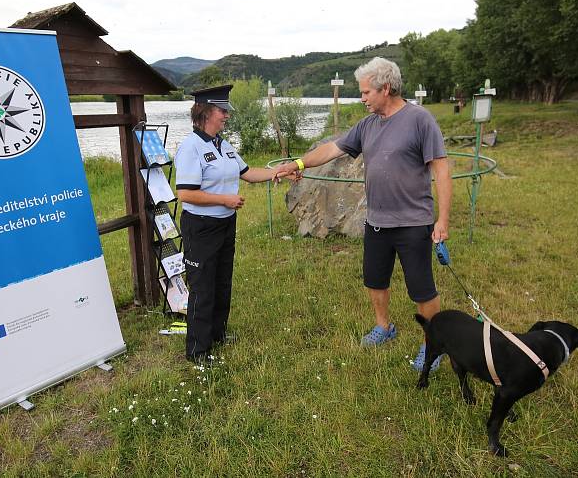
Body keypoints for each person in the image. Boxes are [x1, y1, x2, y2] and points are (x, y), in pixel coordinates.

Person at [274, 57, 452, 371]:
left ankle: (432, 345)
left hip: (414, 223)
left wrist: (443, 220)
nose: (362, 97)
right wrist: (298, 164)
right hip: (377, 222)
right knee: (375, 280)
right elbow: (331, 149)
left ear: (386, 88)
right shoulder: (367, 124)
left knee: (422, 288)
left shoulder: (420, 120)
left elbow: (442, 171)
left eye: (367, 91)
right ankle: (384, 327)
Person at [175, 84, 292, 364]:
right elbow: (185, 194)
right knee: (202, 286)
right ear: (205, 112)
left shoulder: (223, 145)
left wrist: (280, 171)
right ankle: (198, 350)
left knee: (221, 281)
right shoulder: (190, 148)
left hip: (225, 225)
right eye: (222, 110)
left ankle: (217, 334)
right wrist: (223, 200)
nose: (227, 115)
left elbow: (249, 173)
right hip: (201, 226)